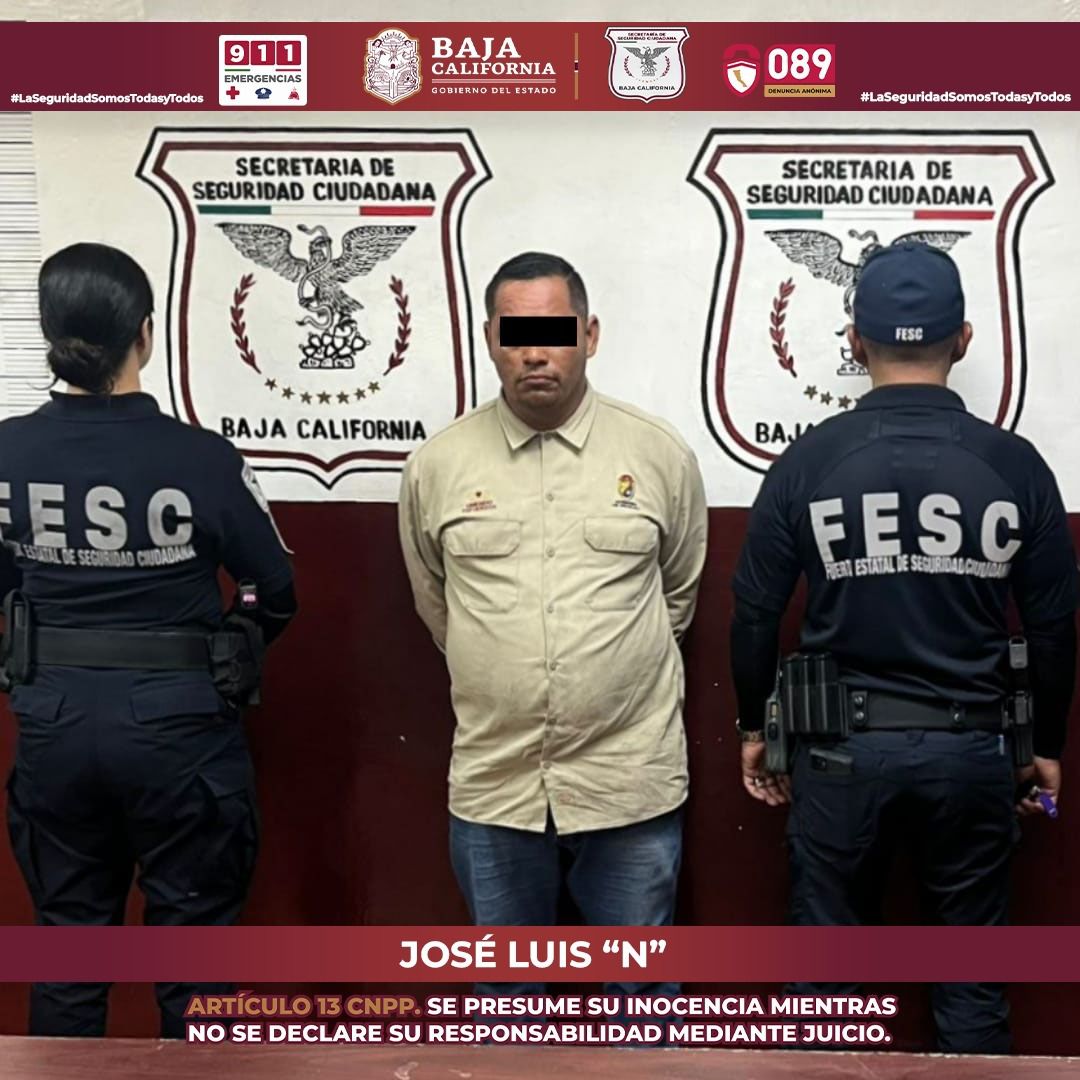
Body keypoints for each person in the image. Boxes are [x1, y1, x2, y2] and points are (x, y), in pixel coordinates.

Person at [730, 242, 1078, 1054]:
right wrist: (1046, 748)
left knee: (827, 992)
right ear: (963, 339)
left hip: (839, 756)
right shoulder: (1015, 466)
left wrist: (754, 729)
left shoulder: (808, 462)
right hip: (973, 754)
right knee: (971, 980)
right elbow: (1055, 626)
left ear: (856, 342)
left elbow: (752, 615)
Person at [0, 242, 297, 1038]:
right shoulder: (201, 459)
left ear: (51, 334)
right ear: (144, 333)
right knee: (194, 957)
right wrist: (232, 644)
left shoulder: (5, 453)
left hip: (55, 727)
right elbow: (276, 590)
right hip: (180, 733)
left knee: (68, 953)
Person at [398, 251, 707, 996]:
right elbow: (438, 605)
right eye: (515, 334)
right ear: (489, 340)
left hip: (628, 783)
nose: (535, 353)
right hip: (497, 787)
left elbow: (677, 595)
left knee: (641, 1010)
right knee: (508, 1014)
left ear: (589, 336)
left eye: (555, 332)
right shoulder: (438, 465)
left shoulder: (658, 455)